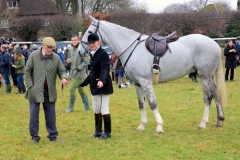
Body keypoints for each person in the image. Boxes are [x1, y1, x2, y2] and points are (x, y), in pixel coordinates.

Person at [25, 37, 68, 144]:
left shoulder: (56, 58)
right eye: (48, 47)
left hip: (50, 91)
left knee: (51, 115)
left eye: (52, 48)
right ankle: (35, 137)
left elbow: (62, 70)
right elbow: (27, 72)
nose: (50, 50)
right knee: (34, 115)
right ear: (43, 46)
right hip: (35, 91)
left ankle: (53, 136)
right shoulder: (33, 56)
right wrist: (31, 86)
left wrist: (64, 78)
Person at [80, 33, 113, 139]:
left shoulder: (102, 53)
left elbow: (105, 68)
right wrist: (85, 82)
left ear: (98, 42)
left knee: (104, 109)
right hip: (94, 86)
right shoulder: (93, 54)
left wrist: (102, 80)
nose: (91, 45)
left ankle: (107, 132)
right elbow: (93, 72)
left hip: (102, 85)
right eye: (89, 43)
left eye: (93, 42)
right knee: (96, 109)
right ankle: (98, 131)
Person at [64, 35, 90, 113]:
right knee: (81, 90)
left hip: (79, 74)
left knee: (72, 89)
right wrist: (68, 62)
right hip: (73, 73)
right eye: (72, 40)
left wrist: (79, 68)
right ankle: (87, 107)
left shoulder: (82, 49)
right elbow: (71, 61)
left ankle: (70, 108)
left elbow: (86, 61)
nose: (74, 41)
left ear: (78, 40)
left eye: (75, 40)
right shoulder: (71, 49)